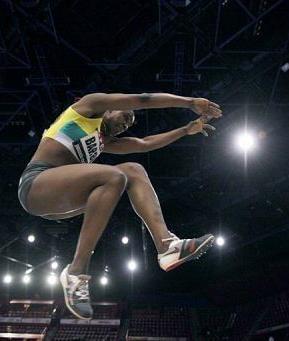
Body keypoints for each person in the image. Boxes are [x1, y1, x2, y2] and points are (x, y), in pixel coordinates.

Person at [17, 92, 222, 319]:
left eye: (130, 124)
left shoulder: (103, 141)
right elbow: (142, 100)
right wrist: (190, 102)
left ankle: (167, 247)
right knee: (114, 177)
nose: (127, 124)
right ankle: (76, 272)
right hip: (35, 185)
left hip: (60, 203)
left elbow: (144, 144)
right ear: (110, 109)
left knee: (134, 170)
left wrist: (185, 130)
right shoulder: (88, 107)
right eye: (125, 117)